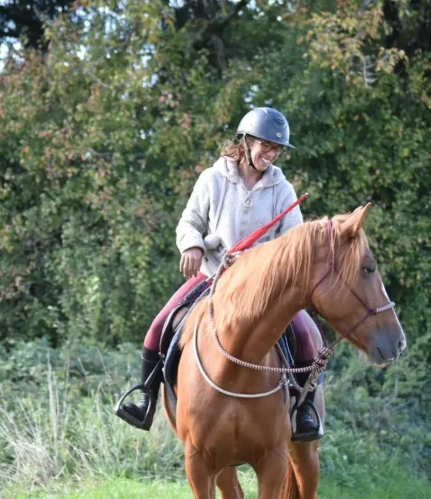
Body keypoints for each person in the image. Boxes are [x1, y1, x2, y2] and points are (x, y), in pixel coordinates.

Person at [118, 107, 322, 441]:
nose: (271, 154)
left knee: (304, 336)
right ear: (246, 142)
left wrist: (253, 259)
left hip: (263, 288)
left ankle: (304, 410)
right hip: (212, 276)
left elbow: (293, 245)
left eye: (277, 149)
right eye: (266, 146)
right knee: (159, 325)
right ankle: (146, 399)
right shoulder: (212, 179)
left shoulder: (283, 190)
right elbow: (190, 222)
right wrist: (192, 246)